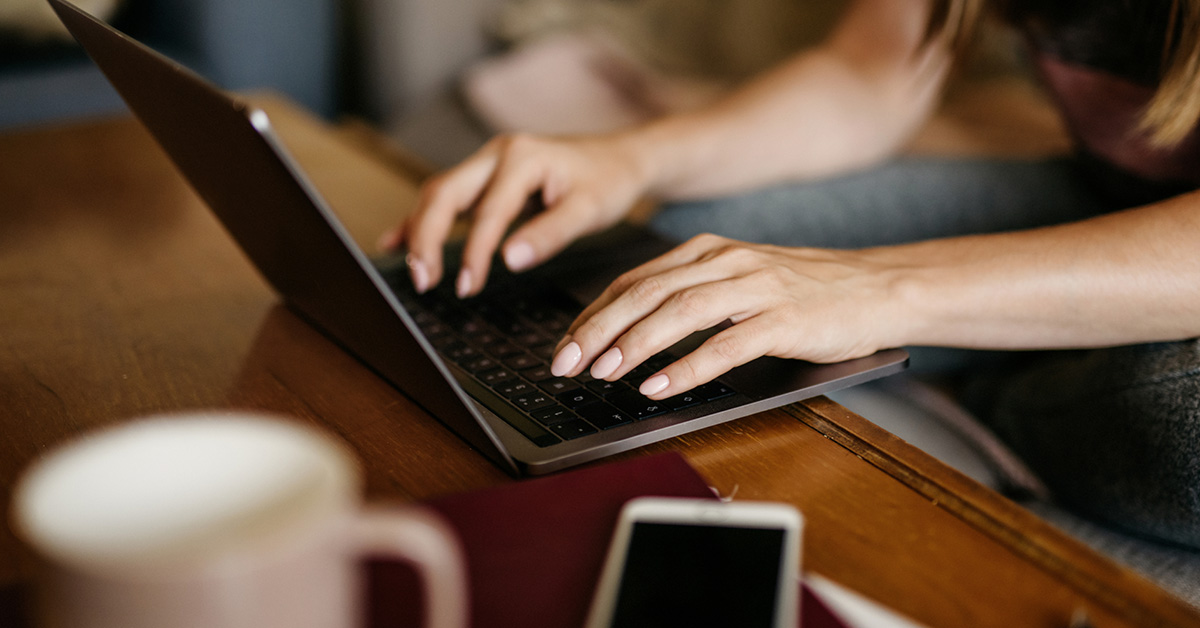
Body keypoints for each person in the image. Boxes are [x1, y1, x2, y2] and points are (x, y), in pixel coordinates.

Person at [380, 0, 1200, 549]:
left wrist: (881, 287)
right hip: (1105, 193)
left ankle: (1007, 388)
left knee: (1175, 433)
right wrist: (632, 159)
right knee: (689, 260)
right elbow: (867, 76)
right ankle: (1024, 351)